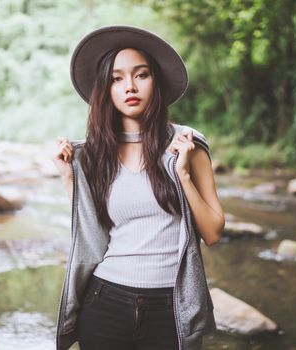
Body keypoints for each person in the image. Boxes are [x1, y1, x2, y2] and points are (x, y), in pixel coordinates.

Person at [52, 25, 225, 350]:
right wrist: (69, 178)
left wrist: (182, 174)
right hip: (105, 302)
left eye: (141, 75)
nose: (129, 86)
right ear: (105, 89)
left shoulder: (188, 145)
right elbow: (94, 235)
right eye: (117, 78)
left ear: (156, 82)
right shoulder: (94, 155)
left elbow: (213, 233)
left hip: (171, 307)